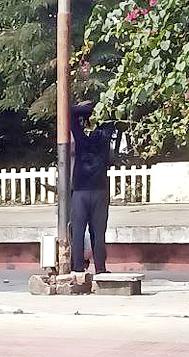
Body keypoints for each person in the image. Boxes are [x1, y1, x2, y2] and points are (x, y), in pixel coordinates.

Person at [71, 101, 117, 275]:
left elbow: (71, 113)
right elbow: (110, 116)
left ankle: (77, 267)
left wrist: (84, 108)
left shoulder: (81, 140)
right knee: (98, 233)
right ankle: (101, 268)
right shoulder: (104, 137)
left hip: (80, 190)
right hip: (99, 189)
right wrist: (97, 106)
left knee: (78, 231)